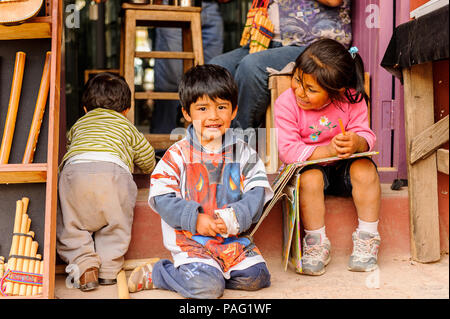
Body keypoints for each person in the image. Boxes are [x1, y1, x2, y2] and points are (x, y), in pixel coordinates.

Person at [127, 64, 274, 299]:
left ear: (234, 110)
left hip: (231, 241)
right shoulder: (177, 154)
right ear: (186, 113)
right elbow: (161, 197)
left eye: (222, 107)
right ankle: (159, 274)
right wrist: (195, 219)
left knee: (258, 277)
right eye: (203, 108)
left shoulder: (244, 153)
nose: (213, 116)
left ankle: (212, 272)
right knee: (208, 289)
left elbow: (257, 191)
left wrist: (237, 215)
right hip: (192, 242)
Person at [274, 39, 381, 275]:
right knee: (309, 179)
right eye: (297, 80)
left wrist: (357, 142)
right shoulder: (287, 104)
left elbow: (366, 135)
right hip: (310, 171)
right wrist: (329, 151)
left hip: (344, 170)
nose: (300, 91)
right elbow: (289, 151)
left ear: (337, 92)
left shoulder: (352, 100)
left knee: (365, 169)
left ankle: (368, 237)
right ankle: (315, 242)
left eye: (311, 90)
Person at [56, 73, 156, 291]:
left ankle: (84, 267)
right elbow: (148, 159)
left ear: (85, 108)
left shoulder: (79, 124)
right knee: (116, 223)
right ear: (126, 110)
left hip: (74, 174)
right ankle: (109, 270)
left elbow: (71, 144)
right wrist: (146, 168)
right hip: (113, 175)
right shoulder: (127, 126)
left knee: (71, 224)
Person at [210, 0, 352, 130]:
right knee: (215, 69)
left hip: (313, 45)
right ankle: (210, 143)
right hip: (266, 40)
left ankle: (238, 145)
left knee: (252, 67)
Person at [150, 0, 226, 134]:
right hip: (173, 5)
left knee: (212, 78)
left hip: (211, 7)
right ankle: (163, 141)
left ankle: (207, 138)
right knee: (170, 78)